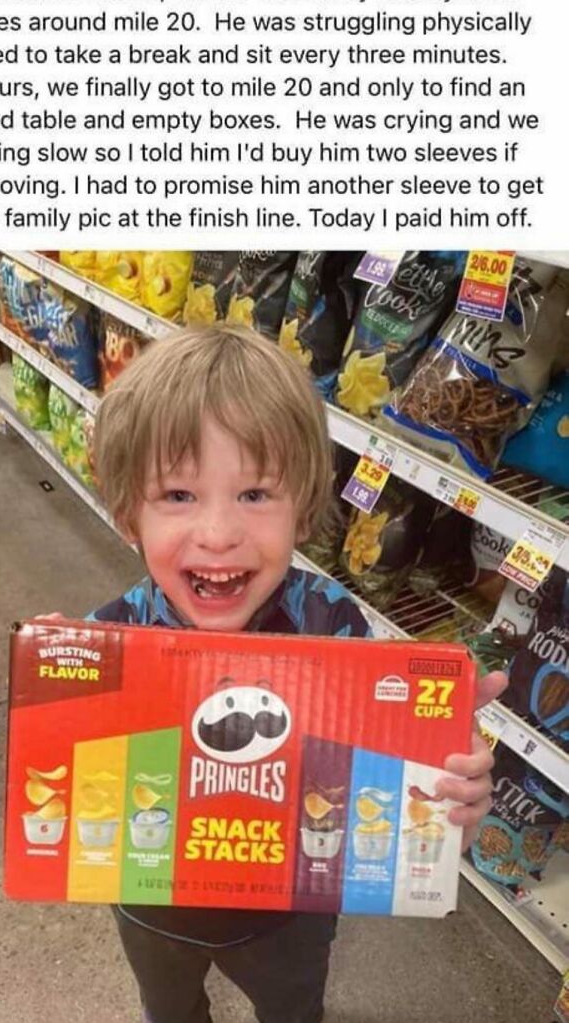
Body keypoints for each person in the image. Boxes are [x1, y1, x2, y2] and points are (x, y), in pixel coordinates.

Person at [80, 323, 505, 1023]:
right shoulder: (108, 643)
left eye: (254, 494)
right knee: (168, 1009)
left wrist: (440, 800)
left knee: (293, 1007)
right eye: (178, 495)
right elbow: (71, 800)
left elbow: (391, 800)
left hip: (287, 917)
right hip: (149, 903)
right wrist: (54, 709)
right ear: (129, 513)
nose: (218, 532)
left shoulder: (335, 629)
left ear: (305, 506)